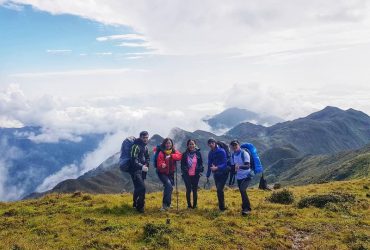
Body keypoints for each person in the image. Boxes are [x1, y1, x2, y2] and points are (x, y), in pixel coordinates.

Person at [156, 138, 182, 211]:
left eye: (169, 143)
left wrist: (171, 156)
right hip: (162, 173)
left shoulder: (173, 151)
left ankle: (168, 204)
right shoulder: (161, 153)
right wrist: (162, 165)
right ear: (164, 144)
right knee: (168, 185)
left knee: (169, 188)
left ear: (172, 144)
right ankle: (164, 205)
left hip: (170, 173)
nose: (168, 144)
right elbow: (159, 163)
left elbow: (179, 156)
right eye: (167, 143)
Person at [230, 139, 253, 216]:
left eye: (236, 145)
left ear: (239, 145)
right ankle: (244, 206)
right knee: (242, 191)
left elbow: (247, 166)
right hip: (239, 176)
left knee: (243, 190)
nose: (234, 146)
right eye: (233, 145)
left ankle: (247, 208)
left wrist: (239, 166)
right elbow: (233, 166)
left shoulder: (244, 153)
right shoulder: (233, 155)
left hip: (247, 175)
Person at [129, 131, 150, 213]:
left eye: (147, 137)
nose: (145, 139)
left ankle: (135, 204)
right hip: (135, 171)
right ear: (140, 137)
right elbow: (133, 160)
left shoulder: (145, 147)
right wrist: (142, 166)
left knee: (138, 188)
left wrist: (146, 164)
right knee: (142, 188)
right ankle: (140, 207)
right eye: (144, 137)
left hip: (143, 171)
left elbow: (147, 157)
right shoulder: (135, 146)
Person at [206, 138, 229, 211]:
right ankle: (221, 206)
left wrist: (217, 168)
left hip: (223, 173)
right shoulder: (210, 153)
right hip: (216, 174)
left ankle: (222, 207)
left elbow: (224, 163)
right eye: (209, 143)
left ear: (215, 143)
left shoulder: (221, 151)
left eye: (212, 143)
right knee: (219, 190)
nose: (211, 144)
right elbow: (209, 163)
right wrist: (208, 174)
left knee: (219, 189)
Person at [181, 139, 204, 209]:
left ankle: (195, 205)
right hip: (186, 175)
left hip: (196, 175)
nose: (191, 145)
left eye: (192, 144)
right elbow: (182, 165)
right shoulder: (185, 154)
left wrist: (200, 170)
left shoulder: (198, 153)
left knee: (194, 190)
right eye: (190, 144)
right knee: (188, 190)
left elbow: (201, 163)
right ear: (187, 145)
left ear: (195, 145)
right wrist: (185, 169)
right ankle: (189, 205)